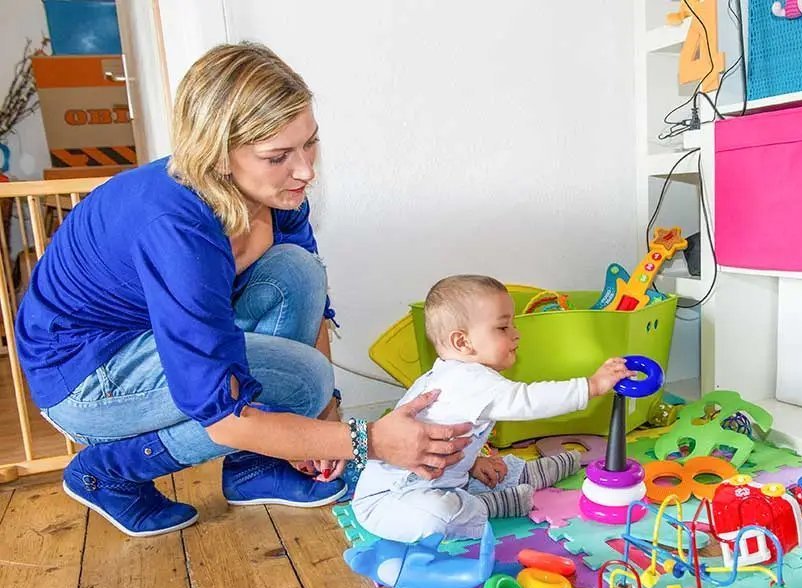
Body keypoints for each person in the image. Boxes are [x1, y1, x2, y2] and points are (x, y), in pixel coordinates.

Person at [13, 42, 470, 538]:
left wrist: (325, 424)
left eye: (309, 143)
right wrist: (367, 441)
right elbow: (222, 418)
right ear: (219, 154)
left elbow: (311, 305)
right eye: (278, 156)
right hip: (83, 375)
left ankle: (254, 468)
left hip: (150, 337)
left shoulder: (276, 193)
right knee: (302, 382)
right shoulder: (177, 230)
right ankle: (111, 470)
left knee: (297, 271)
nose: (305, 170)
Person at [351, 275, 633, 543]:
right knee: (439, 519)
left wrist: (473, 462)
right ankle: (490, 503)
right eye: (503, 327)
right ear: (462, 342)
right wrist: (591, 386)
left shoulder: (451, 374)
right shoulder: (468, 380)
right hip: (388, 500)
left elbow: (444, 435)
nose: (516, 335)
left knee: (485, 471)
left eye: (512, 325)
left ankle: (519, 475)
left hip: (438, 479)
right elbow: (529, 400)